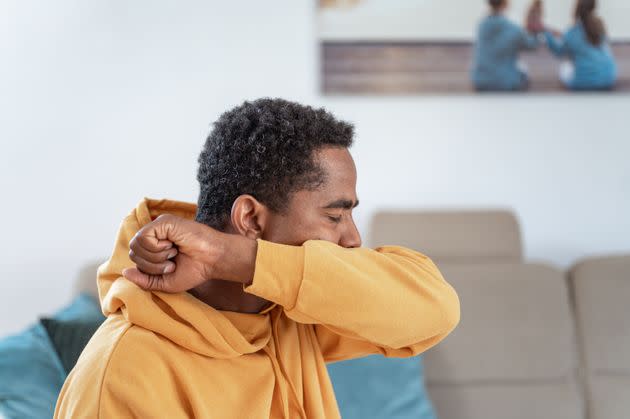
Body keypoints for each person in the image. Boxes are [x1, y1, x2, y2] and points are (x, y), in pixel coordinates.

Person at [54, 98, 460, 418]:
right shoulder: (125, 372)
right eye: (335, 215)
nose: (353, 239)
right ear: (250, 217)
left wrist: (230, 257)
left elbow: (435, 311)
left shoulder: (286, 311)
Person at [543, 0, 617, 90]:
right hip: (608, 79)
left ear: (576, 10)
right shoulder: (599, 26)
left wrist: (547, 34)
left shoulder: (572, 32)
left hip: (582, 82)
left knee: (565, 68)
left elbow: (559, 52)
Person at [471, 0, 542, 91]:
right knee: (523, 72)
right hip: (505, 82)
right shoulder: (513, 28)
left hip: (481, 80)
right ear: (506, 3)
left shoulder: (482, 26)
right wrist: (534, 27)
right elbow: (532, 45)